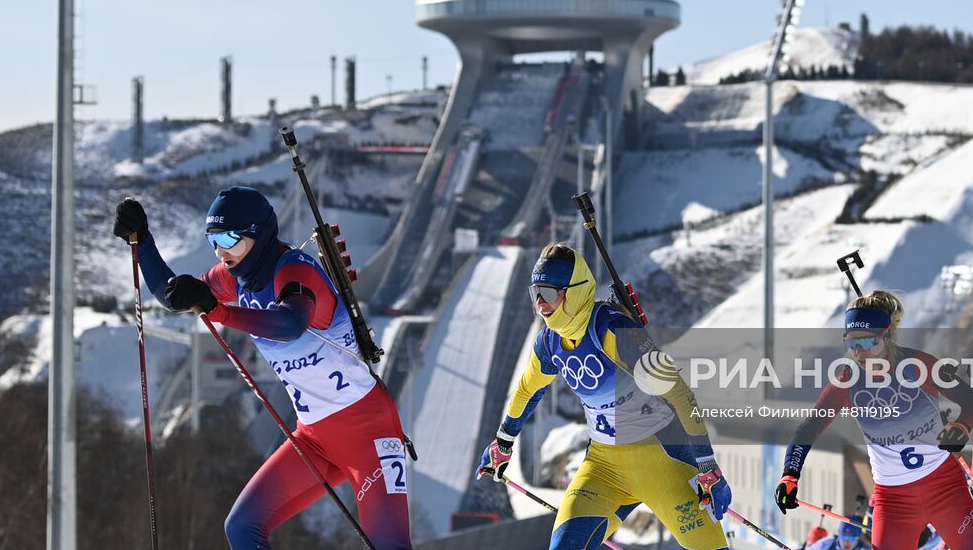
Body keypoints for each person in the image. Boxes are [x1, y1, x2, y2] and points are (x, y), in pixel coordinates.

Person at [113, 188, 413, 550]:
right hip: (314, 439)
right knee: (242, 528)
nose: (221, 252)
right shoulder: (234, 277)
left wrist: (217, 311)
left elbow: (290, 323)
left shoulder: (296, 271)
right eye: (213, 241)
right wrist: (142, 242)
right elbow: (173, 295)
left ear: (259, 235)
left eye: (229, 239)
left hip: (368, 434)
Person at [474, 243, 732, 549]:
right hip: (604, 466)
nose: (541, 305)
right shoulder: (549, 342)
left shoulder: (612, 329)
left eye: (549, 294)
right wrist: (503, 441)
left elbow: (679, 391)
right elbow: (529, 389)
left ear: (576, 291)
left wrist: (706, 463)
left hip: (662, 458)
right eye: (535, 294)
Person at [774, 291, 973, 550]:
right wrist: (790, 474)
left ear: (887, 336)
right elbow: (807, 429)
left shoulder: (918, 365)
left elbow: (970, 400)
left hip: (945, 487)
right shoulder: (847, 382)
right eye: (852, 344)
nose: (860, 353)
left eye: (869, 343)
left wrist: (960, 427)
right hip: (893, 502)